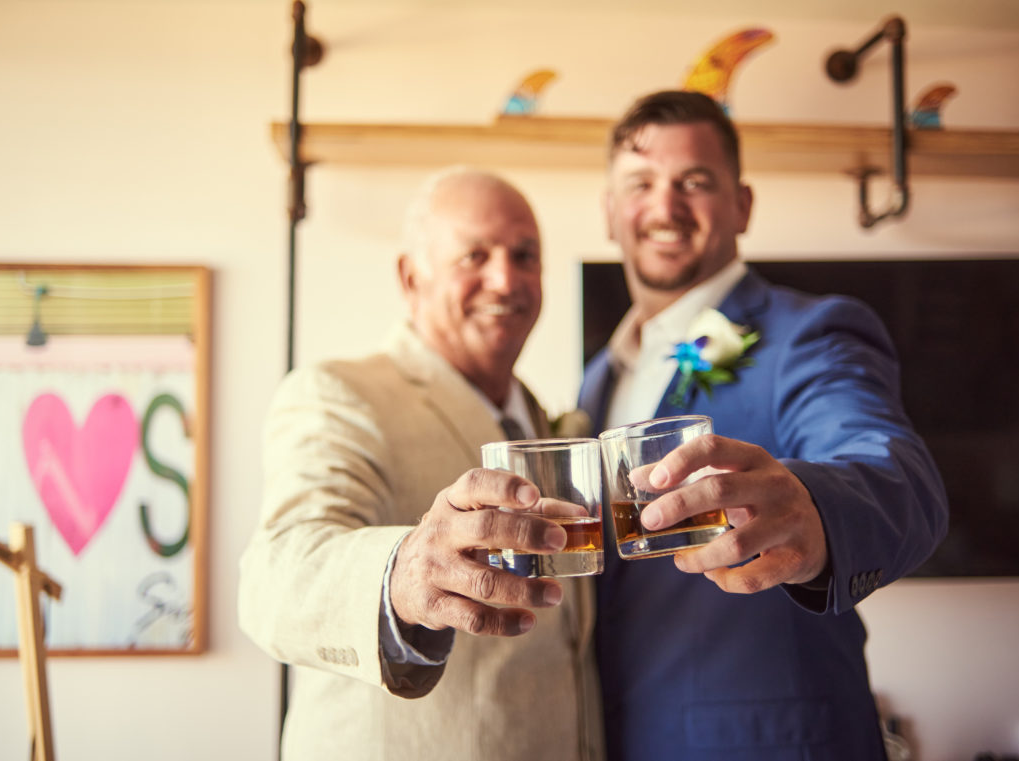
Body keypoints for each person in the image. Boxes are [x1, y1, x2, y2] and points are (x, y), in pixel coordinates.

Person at [579, 90, 948, 761]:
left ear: (742, 203)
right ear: (610, 211)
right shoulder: (600, 373)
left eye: (695, 181)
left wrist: (813, 507)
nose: (664, 207)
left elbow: (897, 474)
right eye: (640, 184)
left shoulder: (812, 333)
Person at [239, 167, 602, 761]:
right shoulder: (339, 393)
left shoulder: (539, 418)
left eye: (524, 255)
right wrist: (401, 575)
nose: (504, 277)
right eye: (474, 256)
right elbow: (274, 578)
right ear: (412, 276)